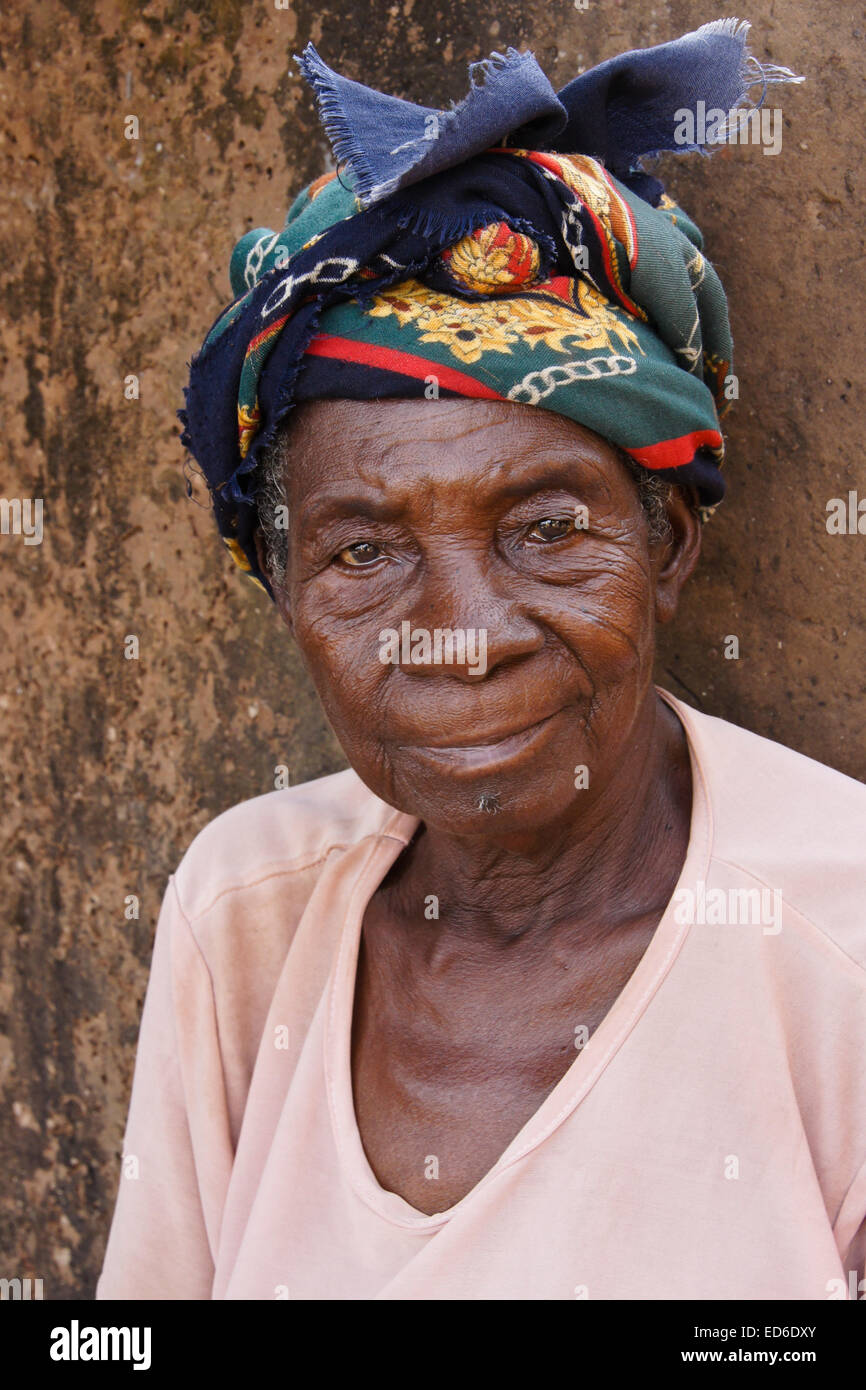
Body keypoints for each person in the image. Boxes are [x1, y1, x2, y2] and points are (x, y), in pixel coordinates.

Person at [97, 23, 866, 1301]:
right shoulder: (245, 909)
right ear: (278, 587)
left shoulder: (839, 936)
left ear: (665, 542)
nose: (463, 633)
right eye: (360, 553)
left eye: (547, 530)